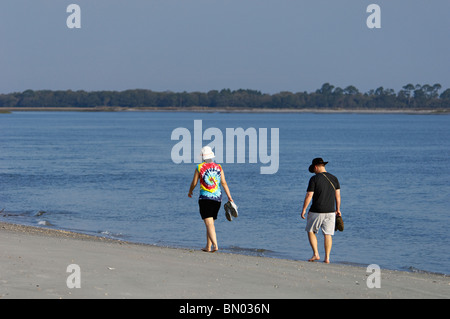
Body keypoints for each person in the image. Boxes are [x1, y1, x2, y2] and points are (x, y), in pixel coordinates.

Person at [188, 146, 233, 252]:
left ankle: (215, 245)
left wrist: (190, 191)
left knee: (209, 223)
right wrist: (229, 196)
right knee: (210, 223)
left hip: (205, 199)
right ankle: (208, 246)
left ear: (203, 157)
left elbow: (194, 182)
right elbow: (224, 183)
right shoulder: (219, 167)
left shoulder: (199, 167)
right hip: (217, 199)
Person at [301, 158, 341, 263]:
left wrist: (304, 209)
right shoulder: (334, 178)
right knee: (328, 234)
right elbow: (338, 196)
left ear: (315, 167)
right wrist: (338, 209)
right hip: (331, 211)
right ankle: (327, 258)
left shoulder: (314, 179)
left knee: (310, 231)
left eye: (313, 170)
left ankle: (316, 254)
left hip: (316, 210)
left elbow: (309, 195)